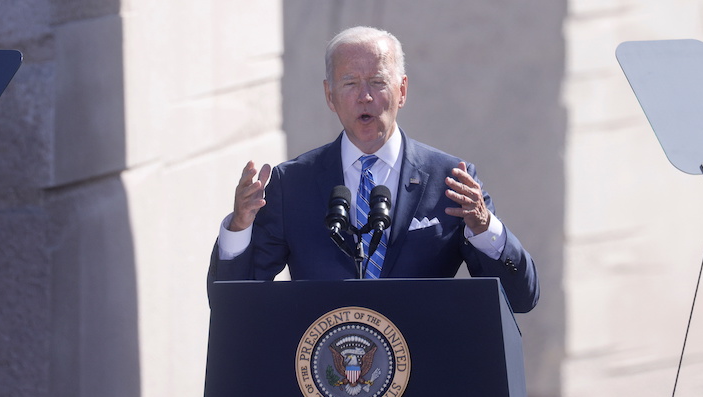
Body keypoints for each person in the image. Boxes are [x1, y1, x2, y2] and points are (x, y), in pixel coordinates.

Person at [208, 26, 539, 313]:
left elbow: (521, 297)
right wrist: (239, 227)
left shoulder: (450, 180)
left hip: (424, 374)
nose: (364, 97)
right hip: (327, 374)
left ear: (402, 91)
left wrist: (484, 230)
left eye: (377, 82)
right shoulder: (292, 183)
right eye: (350, 83)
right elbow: (232, 304)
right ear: (329, 95)